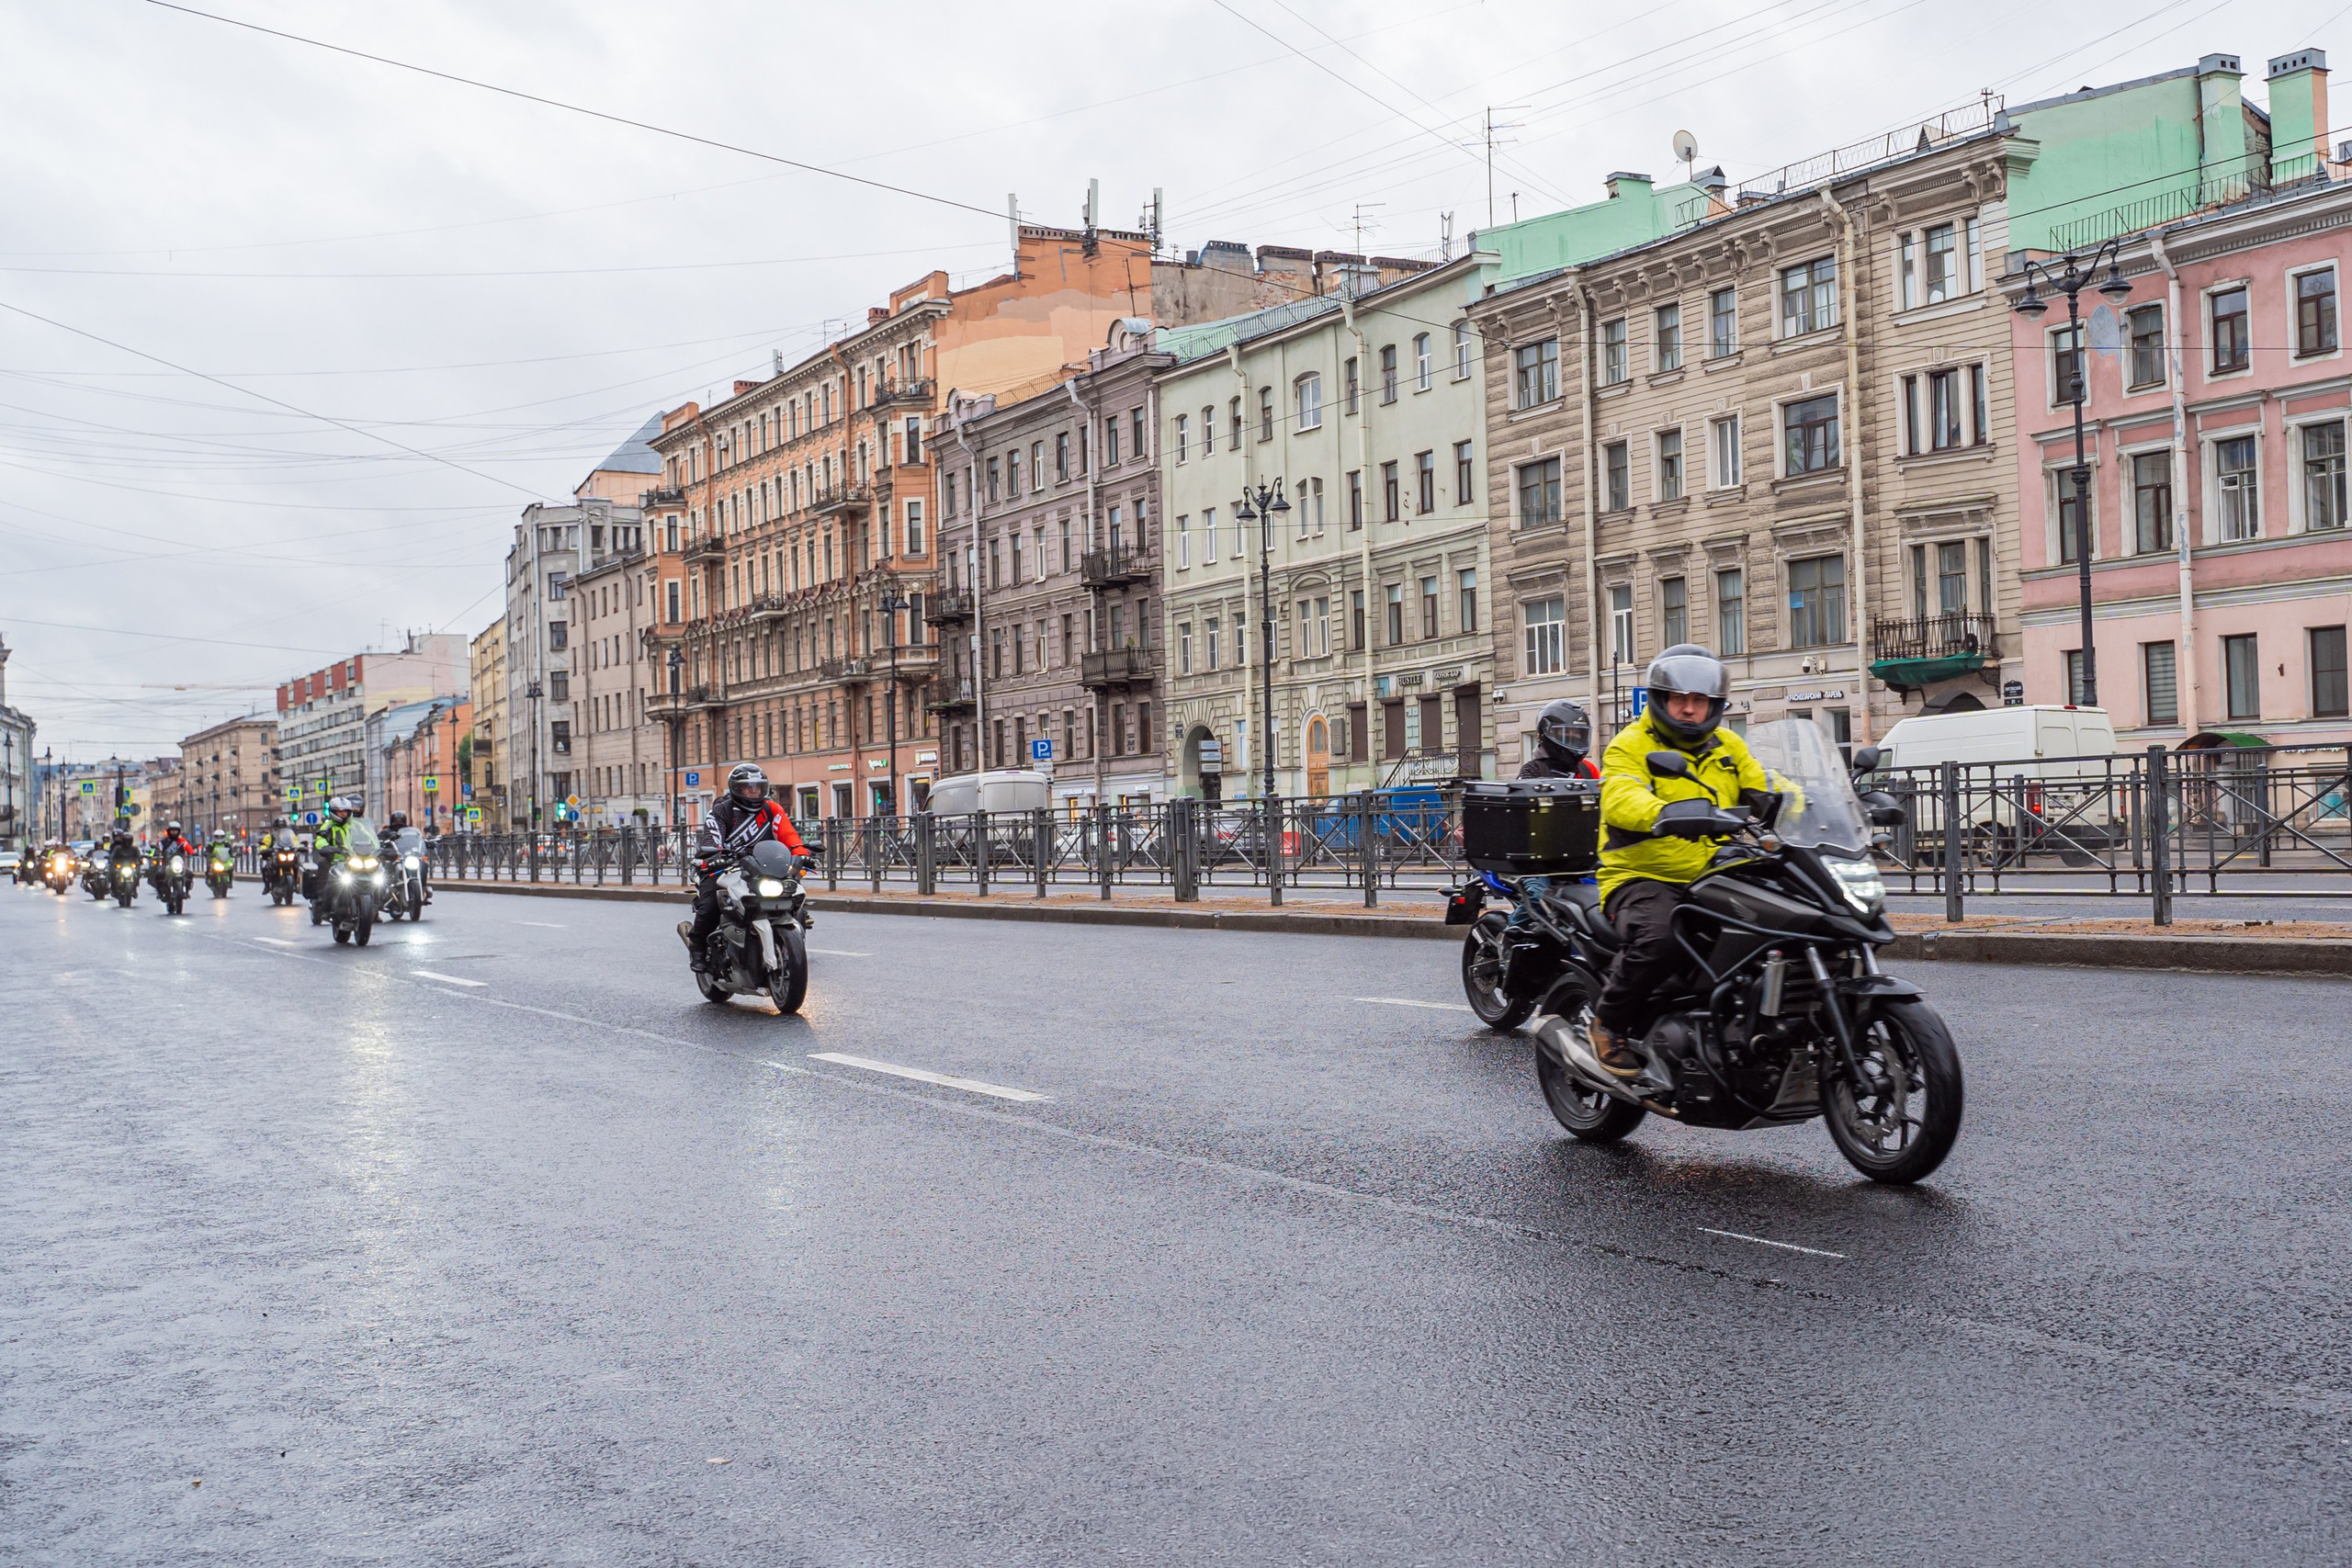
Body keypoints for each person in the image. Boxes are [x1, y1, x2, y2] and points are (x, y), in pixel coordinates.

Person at [1585, 646, 1774, 1079]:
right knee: (1661, 938)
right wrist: (1666, 814)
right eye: (1679, 699)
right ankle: (1608, 1023)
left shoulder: (1728, 745)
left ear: (1714, 705)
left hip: (1719, 871)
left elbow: (1766, 784)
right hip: (1642, 875)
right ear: (1660, 700)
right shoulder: (1631, 744)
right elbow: (1621, 796)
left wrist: (1803, 805)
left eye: (1699, 701)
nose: (1689, 710)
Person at [681, 763, 810, 973]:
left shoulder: (772, 810)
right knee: (711, 905)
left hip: (765, 866)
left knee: (793, 892)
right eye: (748, 787)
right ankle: (698, 946)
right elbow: (712, 839)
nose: (753, 791)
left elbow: (789, 835)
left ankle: (792, 943)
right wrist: (713, 857)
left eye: (757, 787)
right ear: (736, 788)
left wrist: (801, 854)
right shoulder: (722, 811)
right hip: (726, 867)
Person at [307, 796, 358, 903]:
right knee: (323, 864)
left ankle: (375, 903)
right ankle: (322, 897)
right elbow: (320, 839)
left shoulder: (355, 826)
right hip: (335, 860)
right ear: (334, 812)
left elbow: (368, 837)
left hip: (354, 859)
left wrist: (377, 845)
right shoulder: (328, 826)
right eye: (340, 812)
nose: (343, 814)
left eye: (345, 811)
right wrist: (326, 847)